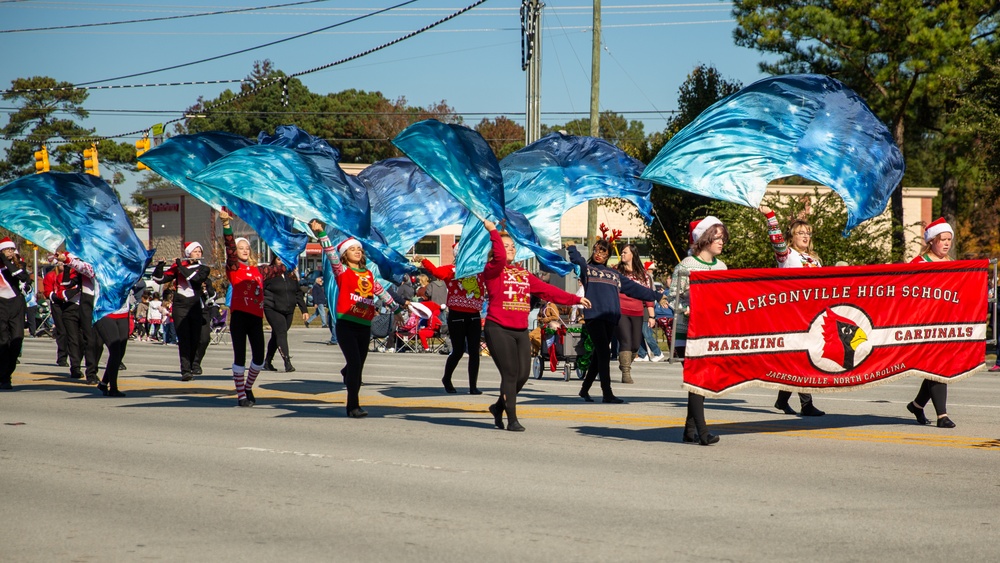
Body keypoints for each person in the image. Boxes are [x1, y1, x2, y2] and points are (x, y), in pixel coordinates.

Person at [481, 220, 590, 431]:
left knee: (522, 375)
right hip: (498, 328)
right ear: (495, 251)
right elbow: (500, 257)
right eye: (506, 246)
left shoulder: (523, 274)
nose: (511, 248)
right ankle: (511, 419)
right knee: (510, 374)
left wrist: (575, 299)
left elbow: (549, 291)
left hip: (520, 329)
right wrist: (493, 231)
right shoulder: (491, 270)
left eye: (513, 245)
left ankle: (498, 407)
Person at [309, 219, 404, 418]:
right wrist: (321, 234)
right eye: (352, 250)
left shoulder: (368, 275)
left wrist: (396, 311)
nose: (357, 252)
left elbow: (382, 294)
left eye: (359, 249)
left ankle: (347, 374)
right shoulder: (342, 271)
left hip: (364, 325)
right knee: (355, 367)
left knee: (358, 365)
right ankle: (353, 406)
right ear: (345, 254)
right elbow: (331, 254)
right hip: (346, 324)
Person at [569, 239, 666, 404]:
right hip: (594, 317)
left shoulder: (614, 274)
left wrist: (657, 296)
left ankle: (584, 390)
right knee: (604, 353)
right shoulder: (588, 269)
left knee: (599, 355)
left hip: (610, 318)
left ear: (608, 255)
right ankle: (607, 393)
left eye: (603, 252)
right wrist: (571, 247)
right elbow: (577, 260)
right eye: (596, 250)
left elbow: (636, 289)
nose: (599, 254)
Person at [759, 205, 826, 417]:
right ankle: (806, 404)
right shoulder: (787, 256)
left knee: (798, 358)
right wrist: (770, 216)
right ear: (791, 237)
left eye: (808, 233)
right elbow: (776, 241)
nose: (805, 236)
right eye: (800, 233)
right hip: (792, 313)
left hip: (813, 312)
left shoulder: (815, 259)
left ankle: (782, 400)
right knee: (804, 357)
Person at [671, 216, 729, 445]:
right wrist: (687, 309)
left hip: (710, 331)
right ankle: (703, 433)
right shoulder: (686, 265)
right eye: (717, 236)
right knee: (698, 379)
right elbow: (671, 299)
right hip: (689, 331)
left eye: (723, 237)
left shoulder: (722, 268)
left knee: (701, 379)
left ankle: (689, 430)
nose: (721, 241)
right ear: (704, 238)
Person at [220, 209, 279, 407]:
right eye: (241, 247)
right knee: (240, 357)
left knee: (259, 359)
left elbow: (281, 266)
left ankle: (247, 386)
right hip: (239, 317)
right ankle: (241, 396)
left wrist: (291, 252)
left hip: (256, 318)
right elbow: (229, 246)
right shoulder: (234, 269)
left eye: (247, 247)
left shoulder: (258, 270)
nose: (245, 250)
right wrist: (227, 225)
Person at [906, 218, 957, 429]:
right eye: (942, 239)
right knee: (938, 368)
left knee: (936, 369)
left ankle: (917, 405)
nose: (946, 244)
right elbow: (906, 294)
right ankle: (942, 415)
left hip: (947, 325)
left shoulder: (954, 265)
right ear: (932, 241)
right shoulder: (918, 264)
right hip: (925, 325)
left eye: (949, 240)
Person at [416, 251, 488, 394]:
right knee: (458, 351)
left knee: (474, 351)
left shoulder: (479, 271)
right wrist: (424, 260)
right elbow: (436, 272)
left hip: (474, 315)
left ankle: (473, 386)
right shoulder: (452, 270)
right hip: (456, 315)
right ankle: (447, 378)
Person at [152, 242, 212, 381]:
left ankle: (192, 364)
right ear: (188, 253)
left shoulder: (203, 269)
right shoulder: (179, 268)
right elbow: (159, 279)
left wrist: (179, 266)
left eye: (199, 251)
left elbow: (195, 279)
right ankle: (185, 370)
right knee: (184, 338)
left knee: (196, 339)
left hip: (195, 305)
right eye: (195, 251)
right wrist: (160, 265)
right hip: (180, 305)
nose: (198, 254)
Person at [614, 244, 657, 384]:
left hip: (638, 311)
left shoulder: (643, 275)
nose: (622, 255)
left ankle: (625, 362)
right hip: (621, 310)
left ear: (633, 254)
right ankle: (626, 372)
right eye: (621, 253)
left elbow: (648, 295)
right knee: (625, 340)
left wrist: (651, 316)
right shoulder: (616, 271)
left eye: (625, 252)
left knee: (636, 344)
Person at [58, 250, 99, 383]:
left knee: (95, 342)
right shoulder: (80, 271)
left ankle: (93, 368)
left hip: (96, 307)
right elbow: (65, 284)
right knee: (76, 340)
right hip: (73, 309)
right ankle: (79, 368)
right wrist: (66, 267)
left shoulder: (99, 268)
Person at [262, 256, 309, 373]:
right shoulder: (269, 275)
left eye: (284, 259)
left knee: (277, 335)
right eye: (279, 259)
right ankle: (287, 362)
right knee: (281, 333)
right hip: (272, 308)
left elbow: (298, 293)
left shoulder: (291, 276)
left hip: (288, 310)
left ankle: (267, 362)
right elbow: (259, 290)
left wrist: (304, 310)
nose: (281, 262)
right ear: (274, 260)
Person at [1, 238, 30, 390]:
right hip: (1, 306)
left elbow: (22, 277)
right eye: (7, 249)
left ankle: (7, 372)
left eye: (12, 249)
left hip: (16, 305)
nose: (11, 251)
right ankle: (4, 377)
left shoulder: (19, 266)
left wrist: (6, 260)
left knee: (17, 341)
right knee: (3, 342)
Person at [41, 262, 69, 366]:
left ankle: (76, 358)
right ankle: (62, 357)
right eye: (61, 263)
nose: (63, 265)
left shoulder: (72, 274)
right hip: (57, 304)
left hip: (70, 304)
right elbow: (47, 291)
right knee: (62, 331)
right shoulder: (51, 275)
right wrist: (55, 296)